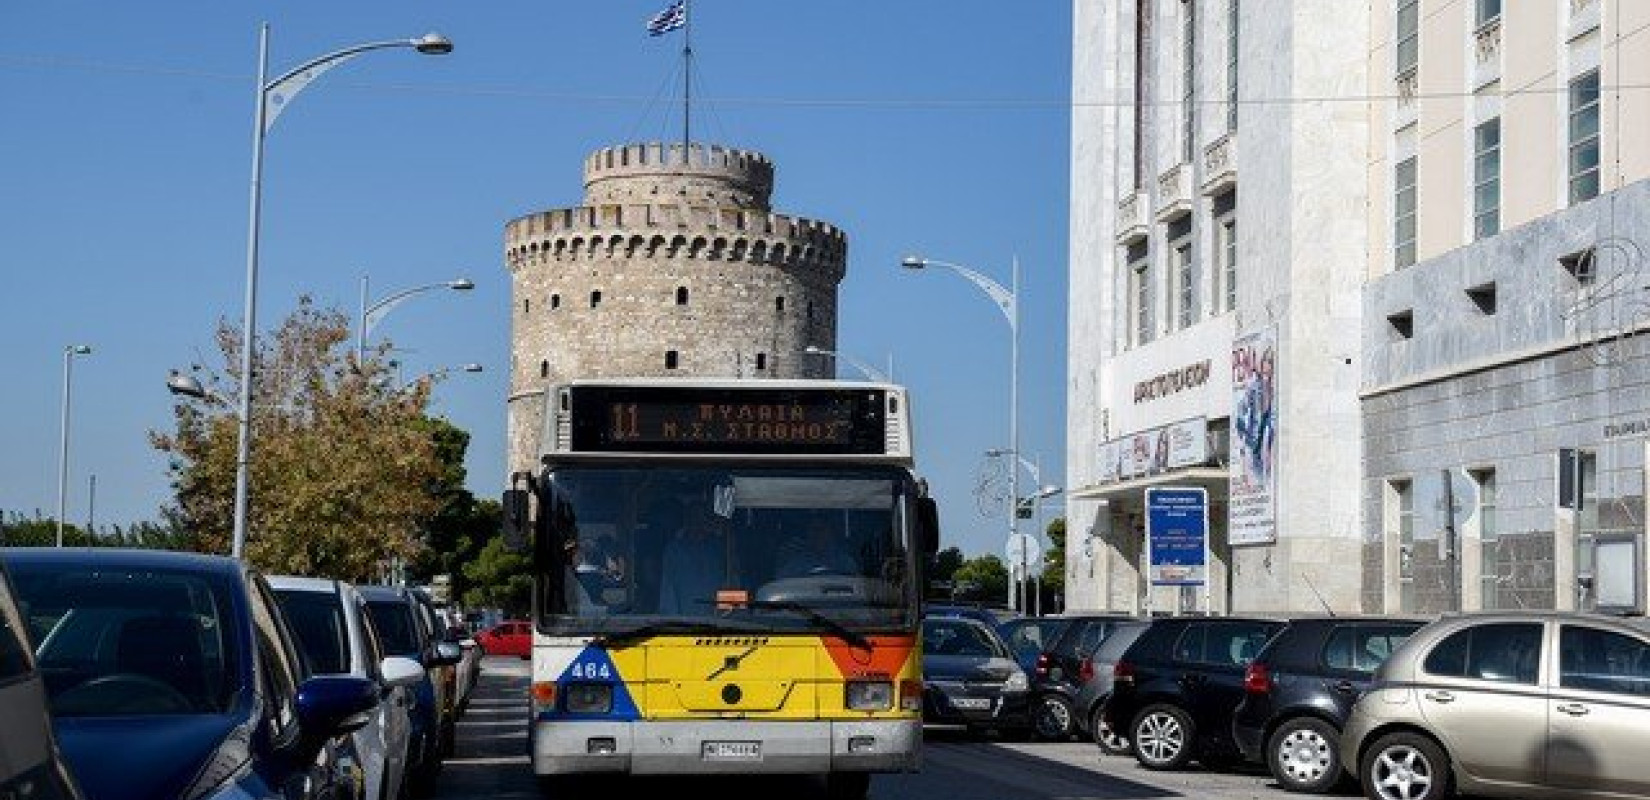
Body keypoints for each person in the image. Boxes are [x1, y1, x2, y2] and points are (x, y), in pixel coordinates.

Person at [656, 506, 730, 614]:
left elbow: (729, 581)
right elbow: (668, 589)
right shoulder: (674, 550)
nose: (698, 523)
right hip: (684, 623)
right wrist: (672, 622)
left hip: (719, 623)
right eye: (694, 518)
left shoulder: (720, 548)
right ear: (686, 521)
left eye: (702, 518)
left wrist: (727, 616)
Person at [774, 515, 857, 579]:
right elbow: (779, 585)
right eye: (813, 530)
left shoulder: (844, 562)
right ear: (807, 533)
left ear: (830, 533)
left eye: (821, 529)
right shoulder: (795, 564)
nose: (817, 534)